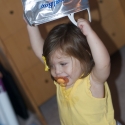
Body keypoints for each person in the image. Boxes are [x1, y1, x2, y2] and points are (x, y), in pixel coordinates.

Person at [26, 18, 116, 125]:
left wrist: (90, 34)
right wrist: (30, 24)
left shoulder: (92, 82)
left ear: (85, 55)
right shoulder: (62, 79)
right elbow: (39, 50)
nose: (57, 71)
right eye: (52, 65)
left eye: (63, 64)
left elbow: (104, 64)